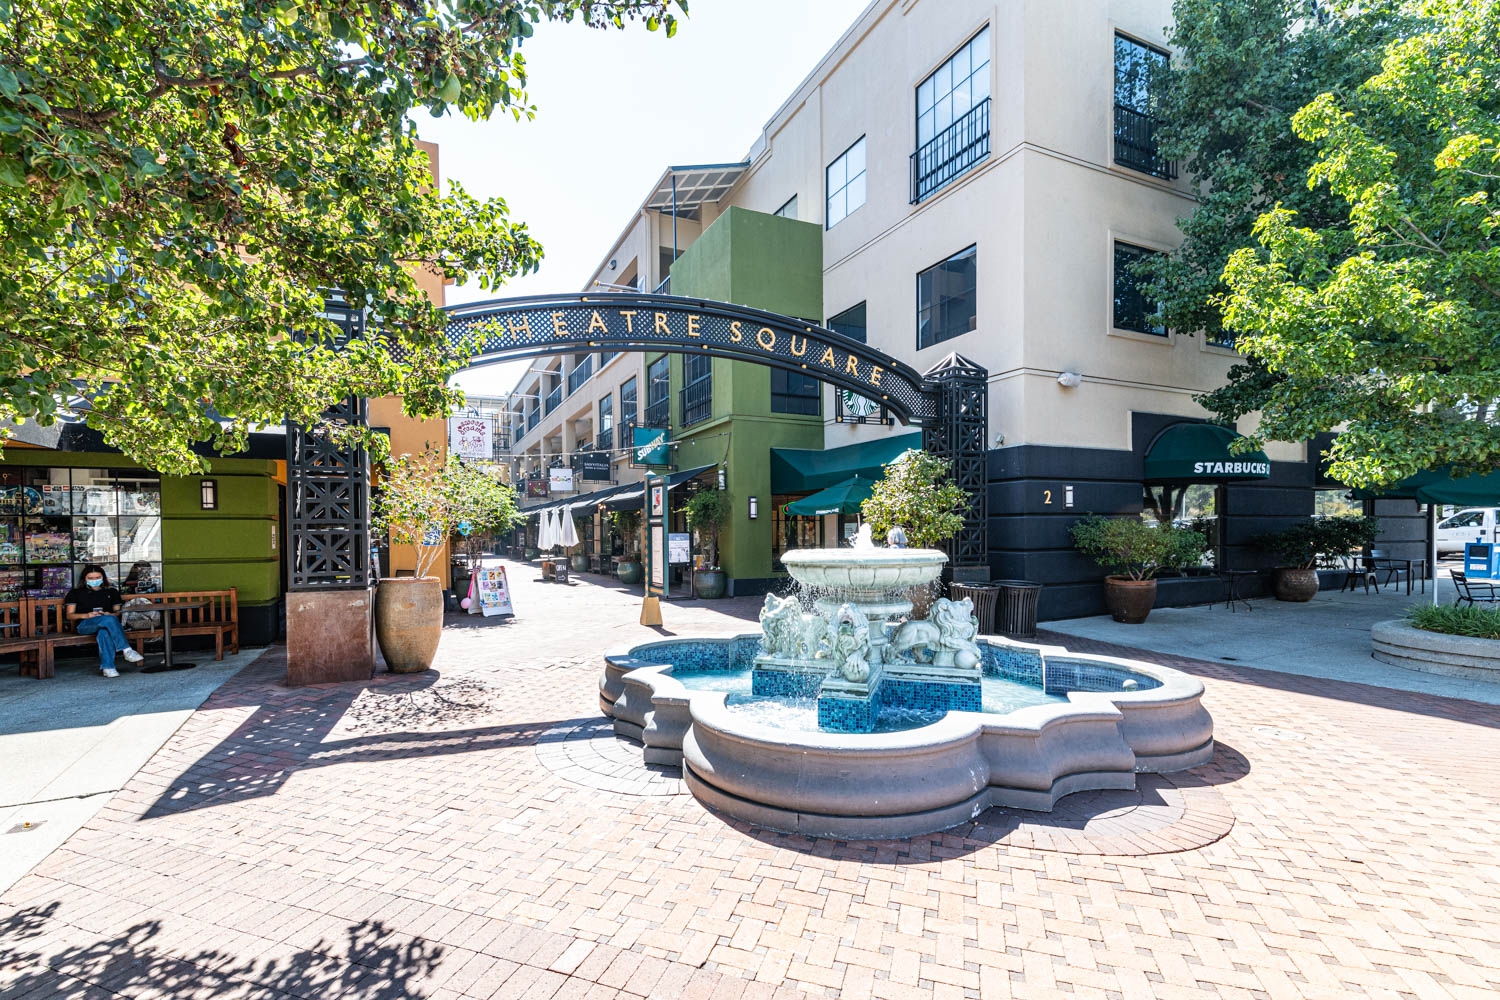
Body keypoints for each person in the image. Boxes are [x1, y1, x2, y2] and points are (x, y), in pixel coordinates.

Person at [64, 564, 144, 677]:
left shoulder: (112, 592)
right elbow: (69, 615)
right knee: (109, 620)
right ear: (84, 579)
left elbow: (117, 613)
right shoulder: (75, 593)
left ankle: (108, 668)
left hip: (108, 624)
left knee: (105, 632)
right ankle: (126, 649)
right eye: (90, 578)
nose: (94, 580)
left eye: (97, 577)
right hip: (85, 625)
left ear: (103, 578)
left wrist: (109, 614)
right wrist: (87, 615)